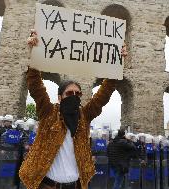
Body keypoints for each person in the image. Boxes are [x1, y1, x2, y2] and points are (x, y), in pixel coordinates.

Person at [19, 30, 127, 189]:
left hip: (76, 184)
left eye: (77, 94)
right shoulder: (48, 112)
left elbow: (103, 94)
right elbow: (36, 86)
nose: (74, 96)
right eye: (69, 93)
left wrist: (118, 63)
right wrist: (34, 54)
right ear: (60, 97)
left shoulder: (85, 115)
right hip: (47, 184)